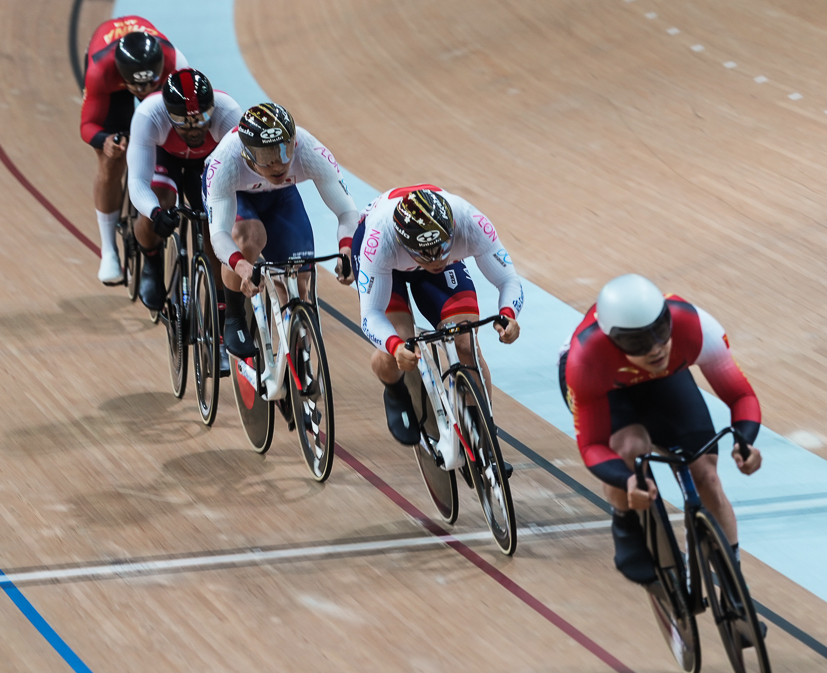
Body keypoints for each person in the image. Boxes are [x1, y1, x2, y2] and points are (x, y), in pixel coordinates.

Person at [559, 276, 764, 584]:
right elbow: (593, 446)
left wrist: (745, 441)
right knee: (630, 448)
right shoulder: (586, 360)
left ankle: (733, 582)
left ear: (668, 318)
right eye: (638, 342)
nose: (655, 348)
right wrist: (628, 480)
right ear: (614, 340)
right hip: (607, 386)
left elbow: (741, 396)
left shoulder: (694, 326)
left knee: (706, 474)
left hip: (663, 379)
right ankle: (625, 523)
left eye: (660, 332)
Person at [352, 186, 525, 444]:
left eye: (442, 247)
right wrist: (395, 346)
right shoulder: (379, 240)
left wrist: (509, 314)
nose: (436, 259)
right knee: (399, 339)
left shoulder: (468, 221)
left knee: (465, 342)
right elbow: (370, 314)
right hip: (388, 265)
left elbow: (508, 278)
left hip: (421, 260)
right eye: (426, 253)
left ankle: (484, 440)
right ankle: (395, 390)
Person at [203, 102, 359, 359]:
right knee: (251, 237)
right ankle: (233, 317)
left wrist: (346, 248)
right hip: (237, 195)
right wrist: (242, 267)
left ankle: (298, 358)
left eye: (284, 151)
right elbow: (219, 234)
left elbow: (347, 211)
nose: (278, 165)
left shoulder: (309, 150)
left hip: (279, 196)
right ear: (247, 155)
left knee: (300, 278)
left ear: (293, 141)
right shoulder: (226, 163)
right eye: (266, 158)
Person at [125, 68, 242, 311]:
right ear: (168, 115)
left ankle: (221, 301)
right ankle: (151, 259)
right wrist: (155, 213)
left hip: (208, 161)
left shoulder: (228, 113)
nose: (194, 130)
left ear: (212, 109)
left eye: (201, 119)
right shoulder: (149, 115)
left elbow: (242, 175)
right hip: (165, 156)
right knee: (160, 201)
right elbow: (137, 182)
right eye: (183, 124)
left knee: (214, 223)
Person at [80, 17, 184, 284]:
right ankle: (108, 250)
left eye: (150, 85)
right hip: (114, 87)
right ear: (125, 78)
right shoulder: (101, 72)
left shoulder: (173, 63)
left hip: (152, 73)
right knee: (111, 162)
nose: (144, 92)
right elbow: (87, 125)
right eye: (137, 87)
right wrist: (106, 140)